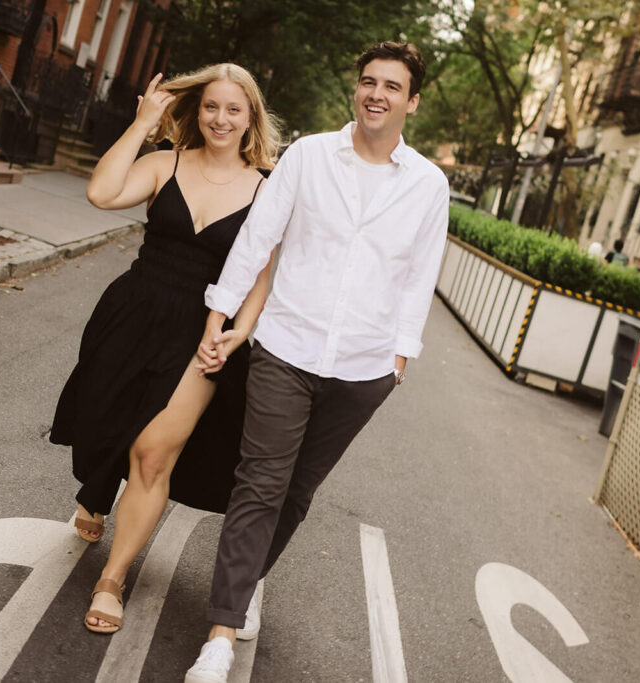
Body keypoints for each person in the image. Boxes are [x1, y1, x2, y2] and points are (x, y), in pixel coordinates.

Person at [184, 41, 450, 682]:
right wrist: (219, 317)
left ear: (412, 102)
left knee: (298, 494)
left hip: (363, 370)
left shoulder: (427, 184)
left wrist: (399, 360)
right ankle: (219, 636)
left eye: (392, 86)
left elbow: (420, 276)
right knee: (260, 484)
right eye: (368, 81)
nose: (377, 94)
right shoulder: (306, 157)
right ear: (356, 90)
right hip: (286, 348)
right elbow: (257, 239)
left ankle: (242, 588)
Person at [48, 63, 281, 634]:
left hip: (204, 333)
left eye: (233, 109)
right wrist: (144, 122)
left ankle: (112, 578)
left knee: (153, 454)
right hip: (133, 312)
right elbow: (102, 192)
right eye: (209, 106)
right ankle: (97, 493)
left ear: (250, 117)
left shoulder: (269, 188)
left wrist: (238, 332)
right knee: (107, 425)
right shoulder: (166, 162)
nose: (220, 118)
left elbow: (264, 276)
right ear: (195, 111)